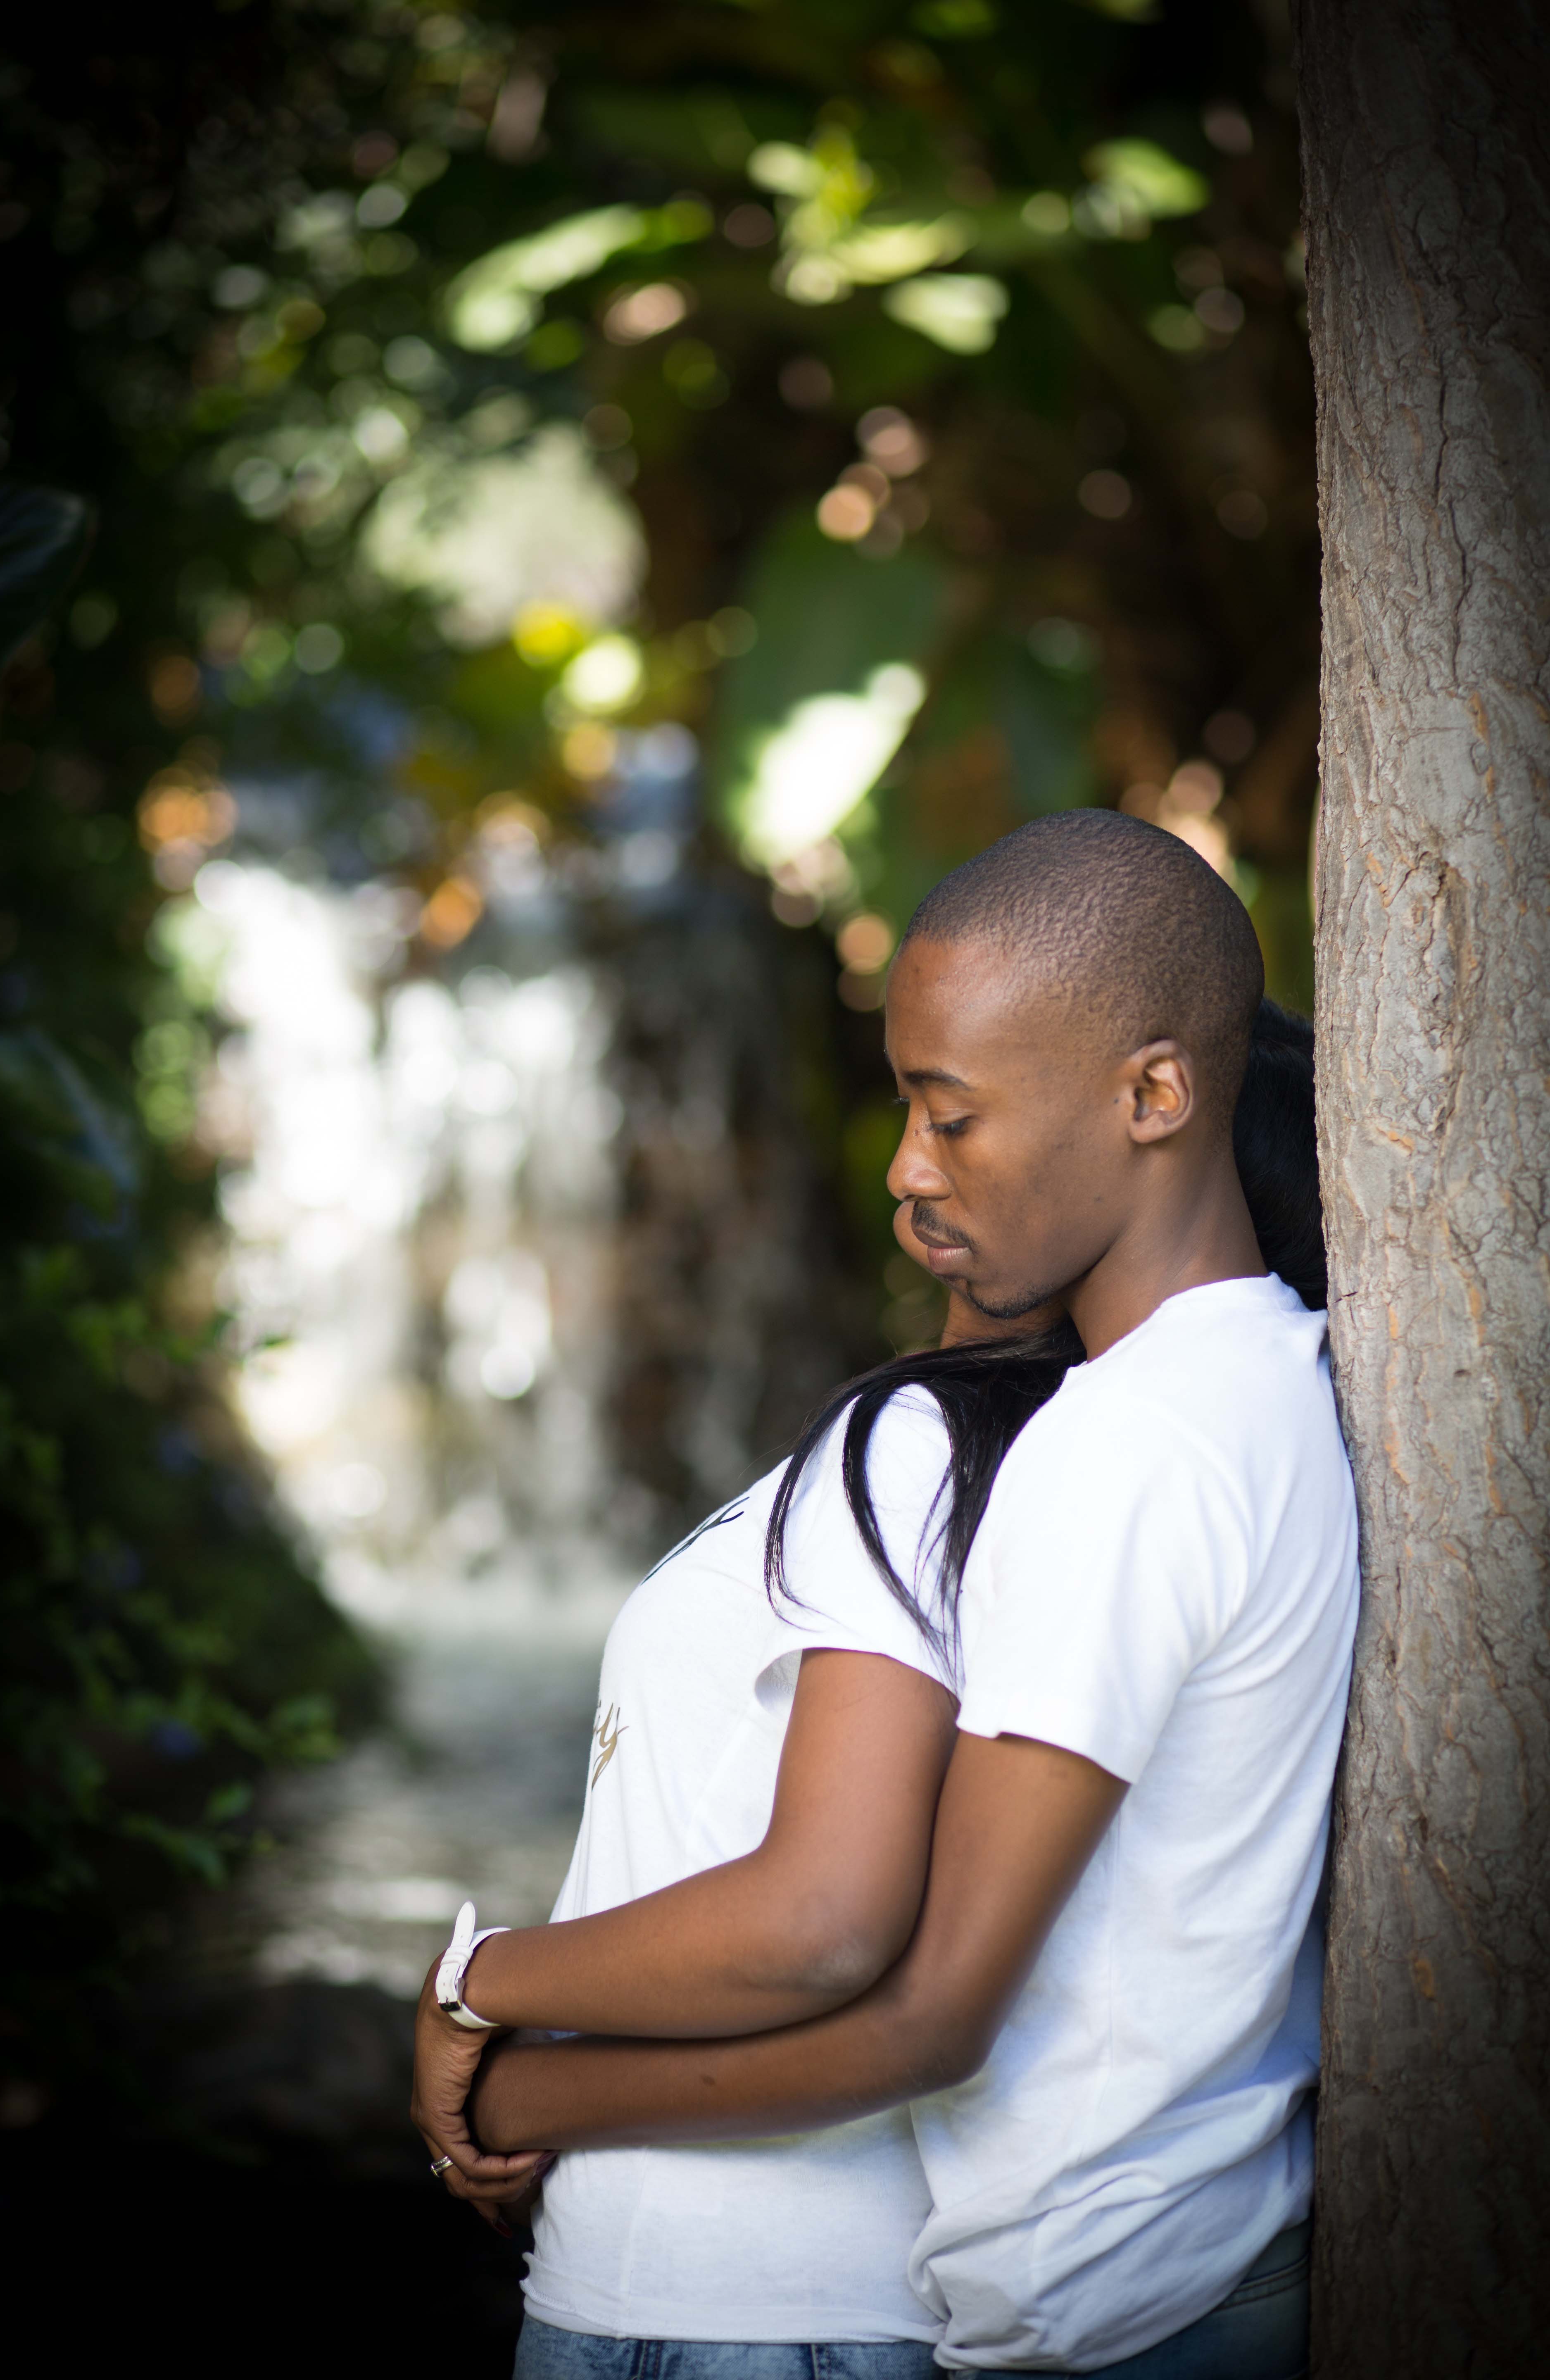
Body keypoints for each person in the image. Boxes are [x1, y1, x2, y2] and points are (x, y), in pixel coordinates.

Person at [416, 812, 1357, 2378]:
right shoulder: (1278, 1380)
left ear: (1157, 1095)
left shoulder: (1112, 1453)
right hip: (1190, 2262)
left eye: (955, 1118)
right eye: (908, 1109)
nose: (912, 1171)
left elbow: (900, 1984)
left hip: (1099, 2313)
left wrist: (498, 2046)